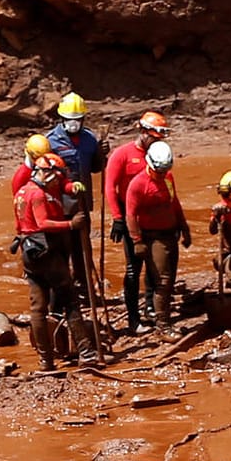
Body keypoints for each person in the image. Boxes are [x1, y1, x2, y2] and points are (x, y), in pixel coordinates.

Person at [12, 155, 97, 371]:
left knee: (38, 308)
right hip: (47, 252)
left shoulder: (21, 192)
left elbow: (19, 227)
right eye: (56, 178)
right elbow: (42, 223)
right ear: (46, 173)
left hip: (29, 253)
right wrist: (71, 224)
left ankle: (46, 361)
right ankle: (86, 352)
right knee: (69, 300)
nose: (58, 182)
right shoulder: (39, 194)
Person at [105, 111, 170, 333]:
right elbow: (110, 187)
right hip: (129, 216)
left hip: (151, 216)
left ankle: (150, 307)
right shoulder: (122, 154)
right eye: (153, 137)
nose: (155, 142)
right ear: (142, 132)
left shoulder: (158, 155)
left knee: (154, 265)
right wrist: (117, 218)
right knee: (134, 268)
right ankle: (134, 320)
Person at [125, 141, 191, 339]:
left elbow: (174, 202)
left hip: (170, 234)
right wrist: (137, 241)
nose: (161, 175)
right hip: (152, 237)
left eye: (164, 171)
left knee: (169, 279)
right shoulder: (138, 185)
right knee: (162, 280)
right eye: (158, 172)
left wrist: (184, 228)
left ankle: (157, 314)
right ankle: (163, 326)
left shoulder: (168, 178)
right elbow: (130, 214)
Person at [46, 93, 107, 304]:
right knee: (62, 251)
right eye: (70, 120)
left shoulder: (89, 139)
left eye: (77, 120)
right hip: (59, 209)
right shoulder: (50, 142)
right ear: (62, 119)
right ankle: (63, 293)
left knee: (83, 249)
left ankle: (85, 288)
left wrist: (101, 154)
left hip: (82, 205)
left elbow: (97, 168)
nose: (74, 124)